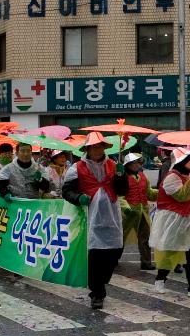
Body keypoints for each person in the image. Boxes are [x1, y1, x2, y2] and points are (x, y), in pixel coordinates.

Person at [62, 132, 129, 310]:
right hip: (89, 214)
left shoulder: (114, 165)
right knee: (94, 255)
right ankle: (97, 293)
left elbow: (122, 191)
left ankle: (102, 281)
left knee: (114, 250)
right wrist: (79, 197)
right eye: (94, 147)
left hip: (111, 213)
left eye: (100, 146)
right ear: (88, 149)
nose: (97, 150)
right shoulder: (76, 168)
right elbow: (67, 191)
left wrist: (122, 177)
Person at [150, 146, 190, 298]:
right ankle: (160, 280)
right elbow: (181, 196)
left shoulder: (189, 177)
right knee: (171, 251)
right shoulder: (171, 177)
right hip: (175, 220)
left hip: (189, 220)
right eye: (189, 160)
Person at [119, 151, 156, 271]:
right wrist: (126, 208)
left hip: (143, 211)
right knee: (121, 237)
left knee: (145, 238)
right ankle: (113, 259)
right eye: (134, 163)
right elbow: (120, 197)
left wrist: (163, 192)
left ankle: (146, 262)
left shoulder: (143, 176)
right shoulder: (122, 178)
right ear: (128, 165)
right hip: (128, 213)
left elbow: (149, 193)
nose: (137, 165)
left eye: (138, 162)